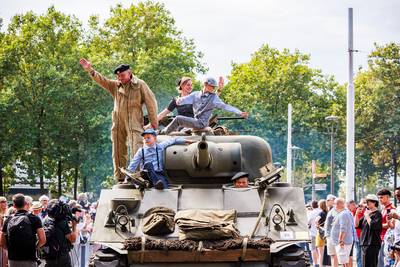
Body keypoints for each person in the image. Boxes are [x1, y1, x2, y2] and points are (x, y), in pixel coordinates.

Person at [79, 58, 158, 182]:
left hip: (134, 120)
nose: (119, 78)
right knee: (117, 149)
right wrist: (91, 70)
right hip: (118, 121)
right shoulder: (115, 86)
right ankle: (120, 177)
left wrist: (153, 124)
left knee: (136, 147)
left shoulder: (140, 84)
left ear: (129, 72)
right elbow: (102, 80)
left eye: (122, 75)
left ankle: (138, 176)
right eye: (118, 76)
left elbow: (151, 102)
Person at [161, 77, 248, 134]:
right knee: (181, 126)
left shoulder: (214, 97)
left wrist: (240, 112)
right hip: (194, 121)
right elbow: (184, 99)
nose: (214, 89)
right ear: (205, 85)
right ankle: (174, 131)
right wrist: (179, 100)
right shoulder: (195, 94)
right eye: (212, 87)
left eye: (214, 87)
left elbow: (225, 106)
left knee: (178, 119)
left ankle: (163, 133)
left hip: (201, 123)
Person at [126, 128, 194, 190]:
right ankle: (156, 184)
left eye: (148, 137)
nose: (146, 139)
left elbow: (173, 140)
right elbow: (133, 164)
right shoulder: (141, 151)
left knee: (165, 188)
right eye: (144, 138)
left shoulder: (160, 147)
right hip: (146, 175)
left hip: (158, 174)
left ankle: (159, 184)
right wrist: (126, 179)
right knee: (148, 164)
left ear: (155, 138)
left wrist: (187, 141)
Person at [0, 193, 46, 267]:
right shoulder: (34, 218)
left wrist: (11, 250)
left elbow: (2, 242)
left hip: (13, 259)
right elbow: (43, 240)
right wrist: (34, 247)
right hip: (29, 257)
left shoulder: (8, 219)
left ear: (14, 206)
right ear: (26, 203)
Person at [42, 199, 78, 267]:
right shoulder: (63, 222)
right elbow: (73, 239)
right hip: (62, 257)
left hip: (49, 256)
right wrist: (74, 226)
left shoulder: (45, 220)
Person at [354, 194, 382, 267]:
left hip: (373, 243)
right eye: (366, 202)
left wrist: (366, 215)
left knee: (371, 264)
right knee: (365, 264)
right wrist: (356, 214)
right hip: (364, 243)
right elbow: (356, 225)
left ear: (374, 203)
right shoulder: (367, 214)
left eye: (369, 202)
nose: (367, 204)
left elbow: (373, 225)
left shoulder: (377, 214)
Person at [330, 198, 355, 267]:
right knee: (344, 261)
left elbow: (343, 228)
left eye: (335, 204)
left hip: (343, 242)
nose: (334, 206)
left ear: (339, 204)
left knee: (344, 262)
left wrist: (341, 240)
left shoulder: (343, 214)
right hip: (343, 242)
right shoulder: (342, 213)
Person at [377, 188, 395, 267]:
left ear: (387, 197)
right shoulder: (383, 208)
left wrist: (376, 225)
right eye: (379, 197)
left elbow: (390, 225)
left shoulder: (391, 209)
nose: (379, 199)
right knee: (380, 261)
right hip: (381, 238)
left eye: (381, 197)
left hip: (388, 239)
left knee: (385, 262)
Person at [325, 194, 339, 267]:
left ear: (333, 201)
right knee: (332, 255)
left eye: (328, 200)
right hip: (330, 235)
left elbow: (336, 223)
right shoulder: (331, 210)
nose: (326, 201)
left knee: (334, 255)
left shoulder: (334, 210)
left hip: (332, 236)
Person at [315, 199, 328, 267]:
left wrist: (317, 225)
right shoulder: (327, 212)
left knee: (320, 253)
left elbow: (316, 220)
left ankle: (321, 265)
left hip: (320, 233)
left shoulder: (321, 213)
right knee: (326, 252)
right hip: (326, 234)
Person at [307, 200, 321, 267]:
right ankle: (320, 262)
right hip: (320, 233)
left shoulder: (311, 213)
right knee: (320, 249)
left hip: (312, 233)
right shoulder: (321, 212)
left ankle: (315, 264)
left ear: (312, 206)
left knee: (313, 249)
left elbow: (308, 222)